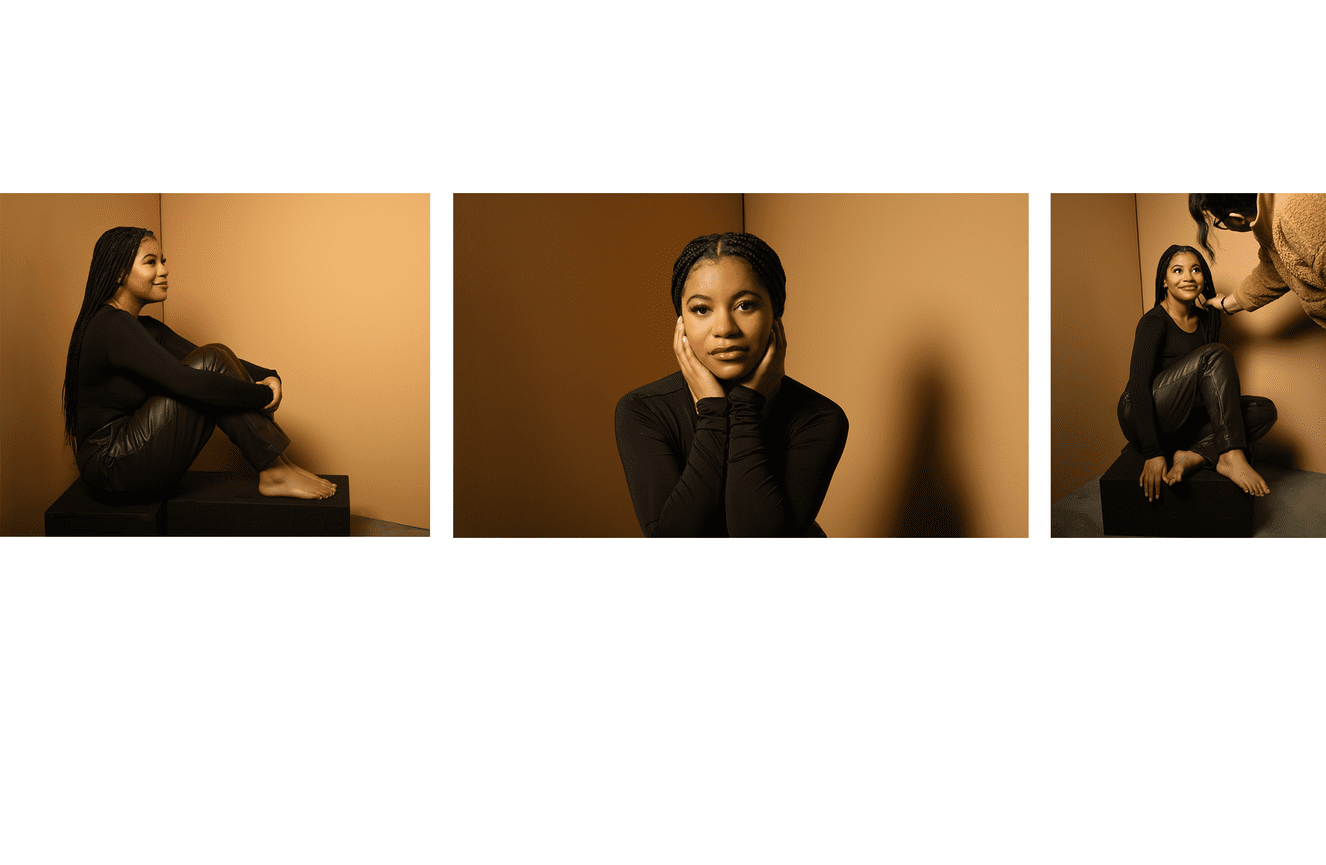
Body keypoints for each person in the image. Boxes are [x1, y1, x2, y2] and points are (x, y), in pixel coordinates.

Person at [62, 226, 336, 502]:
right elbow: (187, 380)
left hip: (128, 454)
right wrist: (261, 395)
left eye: (163, 262)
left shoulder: (137, 326)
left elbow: (200, 354)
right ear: (119, 272)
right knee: (210, 363)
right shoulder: (112, 325)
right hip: (111, 464)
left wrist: (269, 376)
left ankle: (279, 465)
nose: (164, 270)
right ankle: (275, 469)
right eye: (150, 262)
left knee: (215, 352)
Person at [614, 232, 848, 536]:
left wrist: (745, 409)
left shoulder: (819, 417)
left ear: (775, 313)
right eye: (701, 309)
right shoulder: (643, 411)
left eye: (745, 305)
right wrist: (713, 411)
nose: (724, 329)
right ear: (681, 320)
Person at [1117, 244, 1277, 503]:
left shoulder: (1206, 320)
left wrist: (1221, 307)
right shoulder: (1153, 322)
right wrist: (1152, 452)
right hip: (1138, 412)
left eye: (1196, 270)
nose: (1188, 277)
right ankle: (1231, 454)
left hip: (1181, 419)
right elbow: (1137, 387)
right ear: (1165, 281)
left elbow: (1211, 388)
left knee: (1263, 410)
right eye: (1178, 270)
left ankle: (1193, 455)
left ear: (1204, 279)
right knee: (1216, 353)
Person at [1188, 193, 1326, 329]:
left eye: (1220, 221)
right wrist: (1227, 303)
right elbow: (1275, 269)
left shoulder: (1295, 212)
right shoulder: (1274, 221)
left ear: (1236, 218)